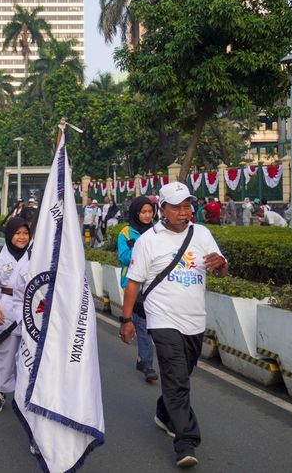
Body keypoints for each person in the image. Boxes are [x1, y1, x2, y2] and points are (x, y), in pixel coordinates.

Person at [120, 181, 228, 468]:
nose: (184, 212)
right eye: (177, 207)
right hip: (162, 318)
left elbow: (222, 268)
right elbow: (133, 283)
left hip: (194, 320)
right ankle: (186, 442)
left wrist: (220, 265)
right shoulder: (148, 241)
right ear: (162, 210)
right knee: (177, 377)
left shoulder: (202, 234)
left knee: (181, 375)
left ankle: (164, 412)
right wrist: (127, 318)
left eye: (187, 206)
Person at [0, 217, 31, 413]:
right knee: (5, 354)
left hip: (30, 309)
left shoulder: (34, 256)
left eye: (25, 233)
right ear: (10, 235)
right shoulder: (0, 260)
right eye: (17, 233)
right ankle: (0, 391)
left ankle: (24, 394)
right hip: (6, 308)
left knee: (28, 355)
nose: (21, 237)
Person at [117, 197, 158, 383]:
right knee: (142, 324)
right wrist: (140, 249)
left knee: (150, 325)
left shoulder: (158, 231)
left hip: (156, 284)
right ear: (135, 213)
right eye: (143, 212)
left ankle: (144, 358)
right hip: (134, 284)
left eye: (150, 212)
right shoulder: (126, 233)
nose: (147, 215)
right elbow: (124, 257)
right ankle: (147, 363)